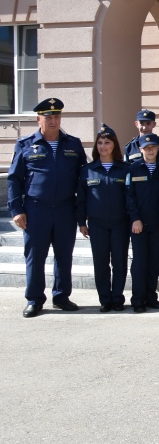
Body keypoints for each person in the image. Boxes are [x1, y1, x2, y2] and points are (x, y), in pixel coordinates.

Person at [8, 98, 88, 318]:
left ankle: (61, 296)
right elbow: (14, 179)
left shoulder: (73, 144)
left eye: (56, 117)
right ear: (38, 119)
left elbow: (83, 178)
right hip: (36, 209)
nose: (53, 121)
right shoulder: (25, 145)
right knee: (35, 255)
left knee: (64, 255)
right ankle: (34, 299)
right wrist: (16, 210)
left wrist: (83, 212)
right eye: (48, 117)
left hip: (65, 208)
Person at [76, 125, 131, 313]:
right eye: (99, 142)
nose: (103, 146)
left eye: (107, 142)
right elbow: (81, 199)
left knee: (119, 262)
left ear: (114, 145)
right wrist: (81, 222)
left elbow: (130, 198)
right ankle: (105, 299)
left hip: (120, 223)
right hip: (97, 224)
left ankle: (117, 298)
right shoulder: (87, 170)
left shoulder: (125, 169)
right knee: (100, 263)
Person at [126, 133, 159, 313]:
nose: (150, 150)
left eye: (153, 147)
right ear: (141, 149)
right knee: (140, 262)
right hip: (139, 225)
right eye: (146, 148)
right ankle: (138, 299)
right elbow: (129, 197)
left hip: (158, 224)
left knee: (154, 262)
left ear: (158, 149)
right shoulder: (132, 170)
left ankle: (151, 297)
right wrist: (135, 218)